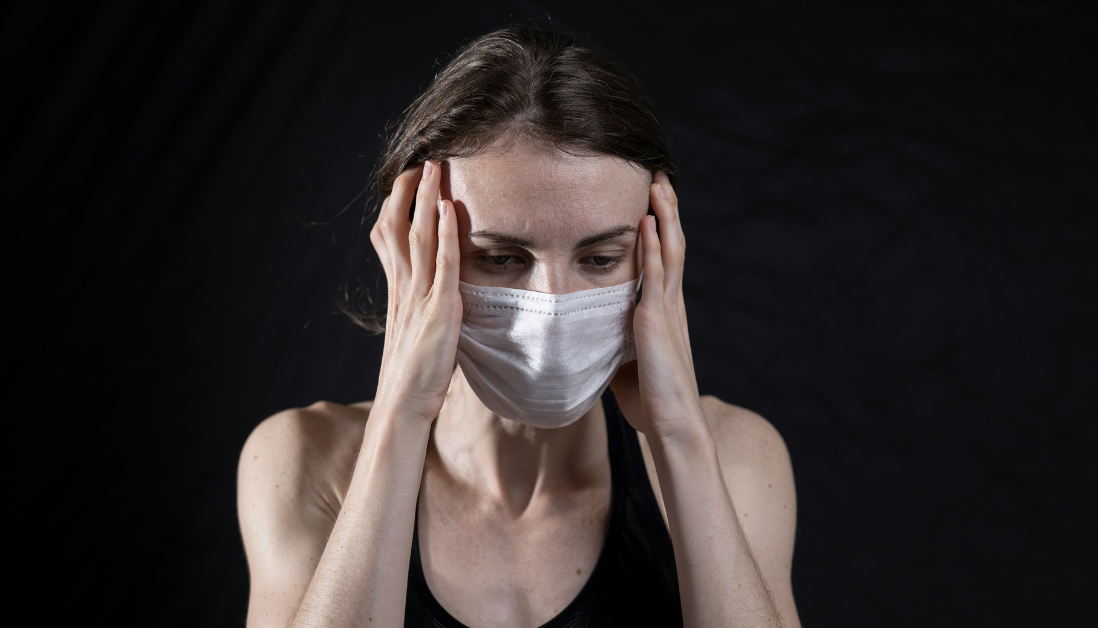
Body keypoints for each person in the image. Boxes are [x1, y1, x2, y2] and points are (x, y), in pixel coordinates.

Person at [237, 25, 800, 628]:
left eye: (601, 258)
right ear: (414, 250)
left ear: (658, 253)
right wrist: (401, 415)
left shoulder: (736, 458)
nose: (554, 304)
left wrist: (679, 437)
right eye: (501, 259)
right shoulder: (305, 461)